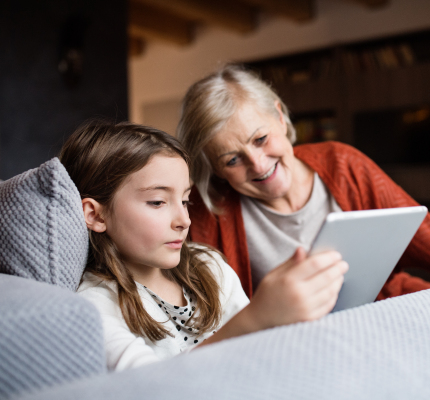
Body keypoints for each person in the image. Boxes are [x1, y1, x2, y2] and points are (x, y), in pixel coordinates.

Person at [178, 64, 430, 299]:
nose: (258, 165)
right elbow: (213, 320)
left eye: (260, 139)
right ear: (216, 170)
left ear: (279, 116)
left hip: (382, 306)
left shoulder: (342, 163)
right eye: (231, 160)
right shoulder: (206, 217)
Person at [59, 120, 348, 371]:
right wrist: (257, 318)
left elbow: (263, 355)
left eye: (185, 200)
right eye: (158, 202)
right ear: (96, 215)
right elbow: (151, 387)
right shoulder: (92, 307)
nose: (184, 220)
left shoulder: (208, 265)